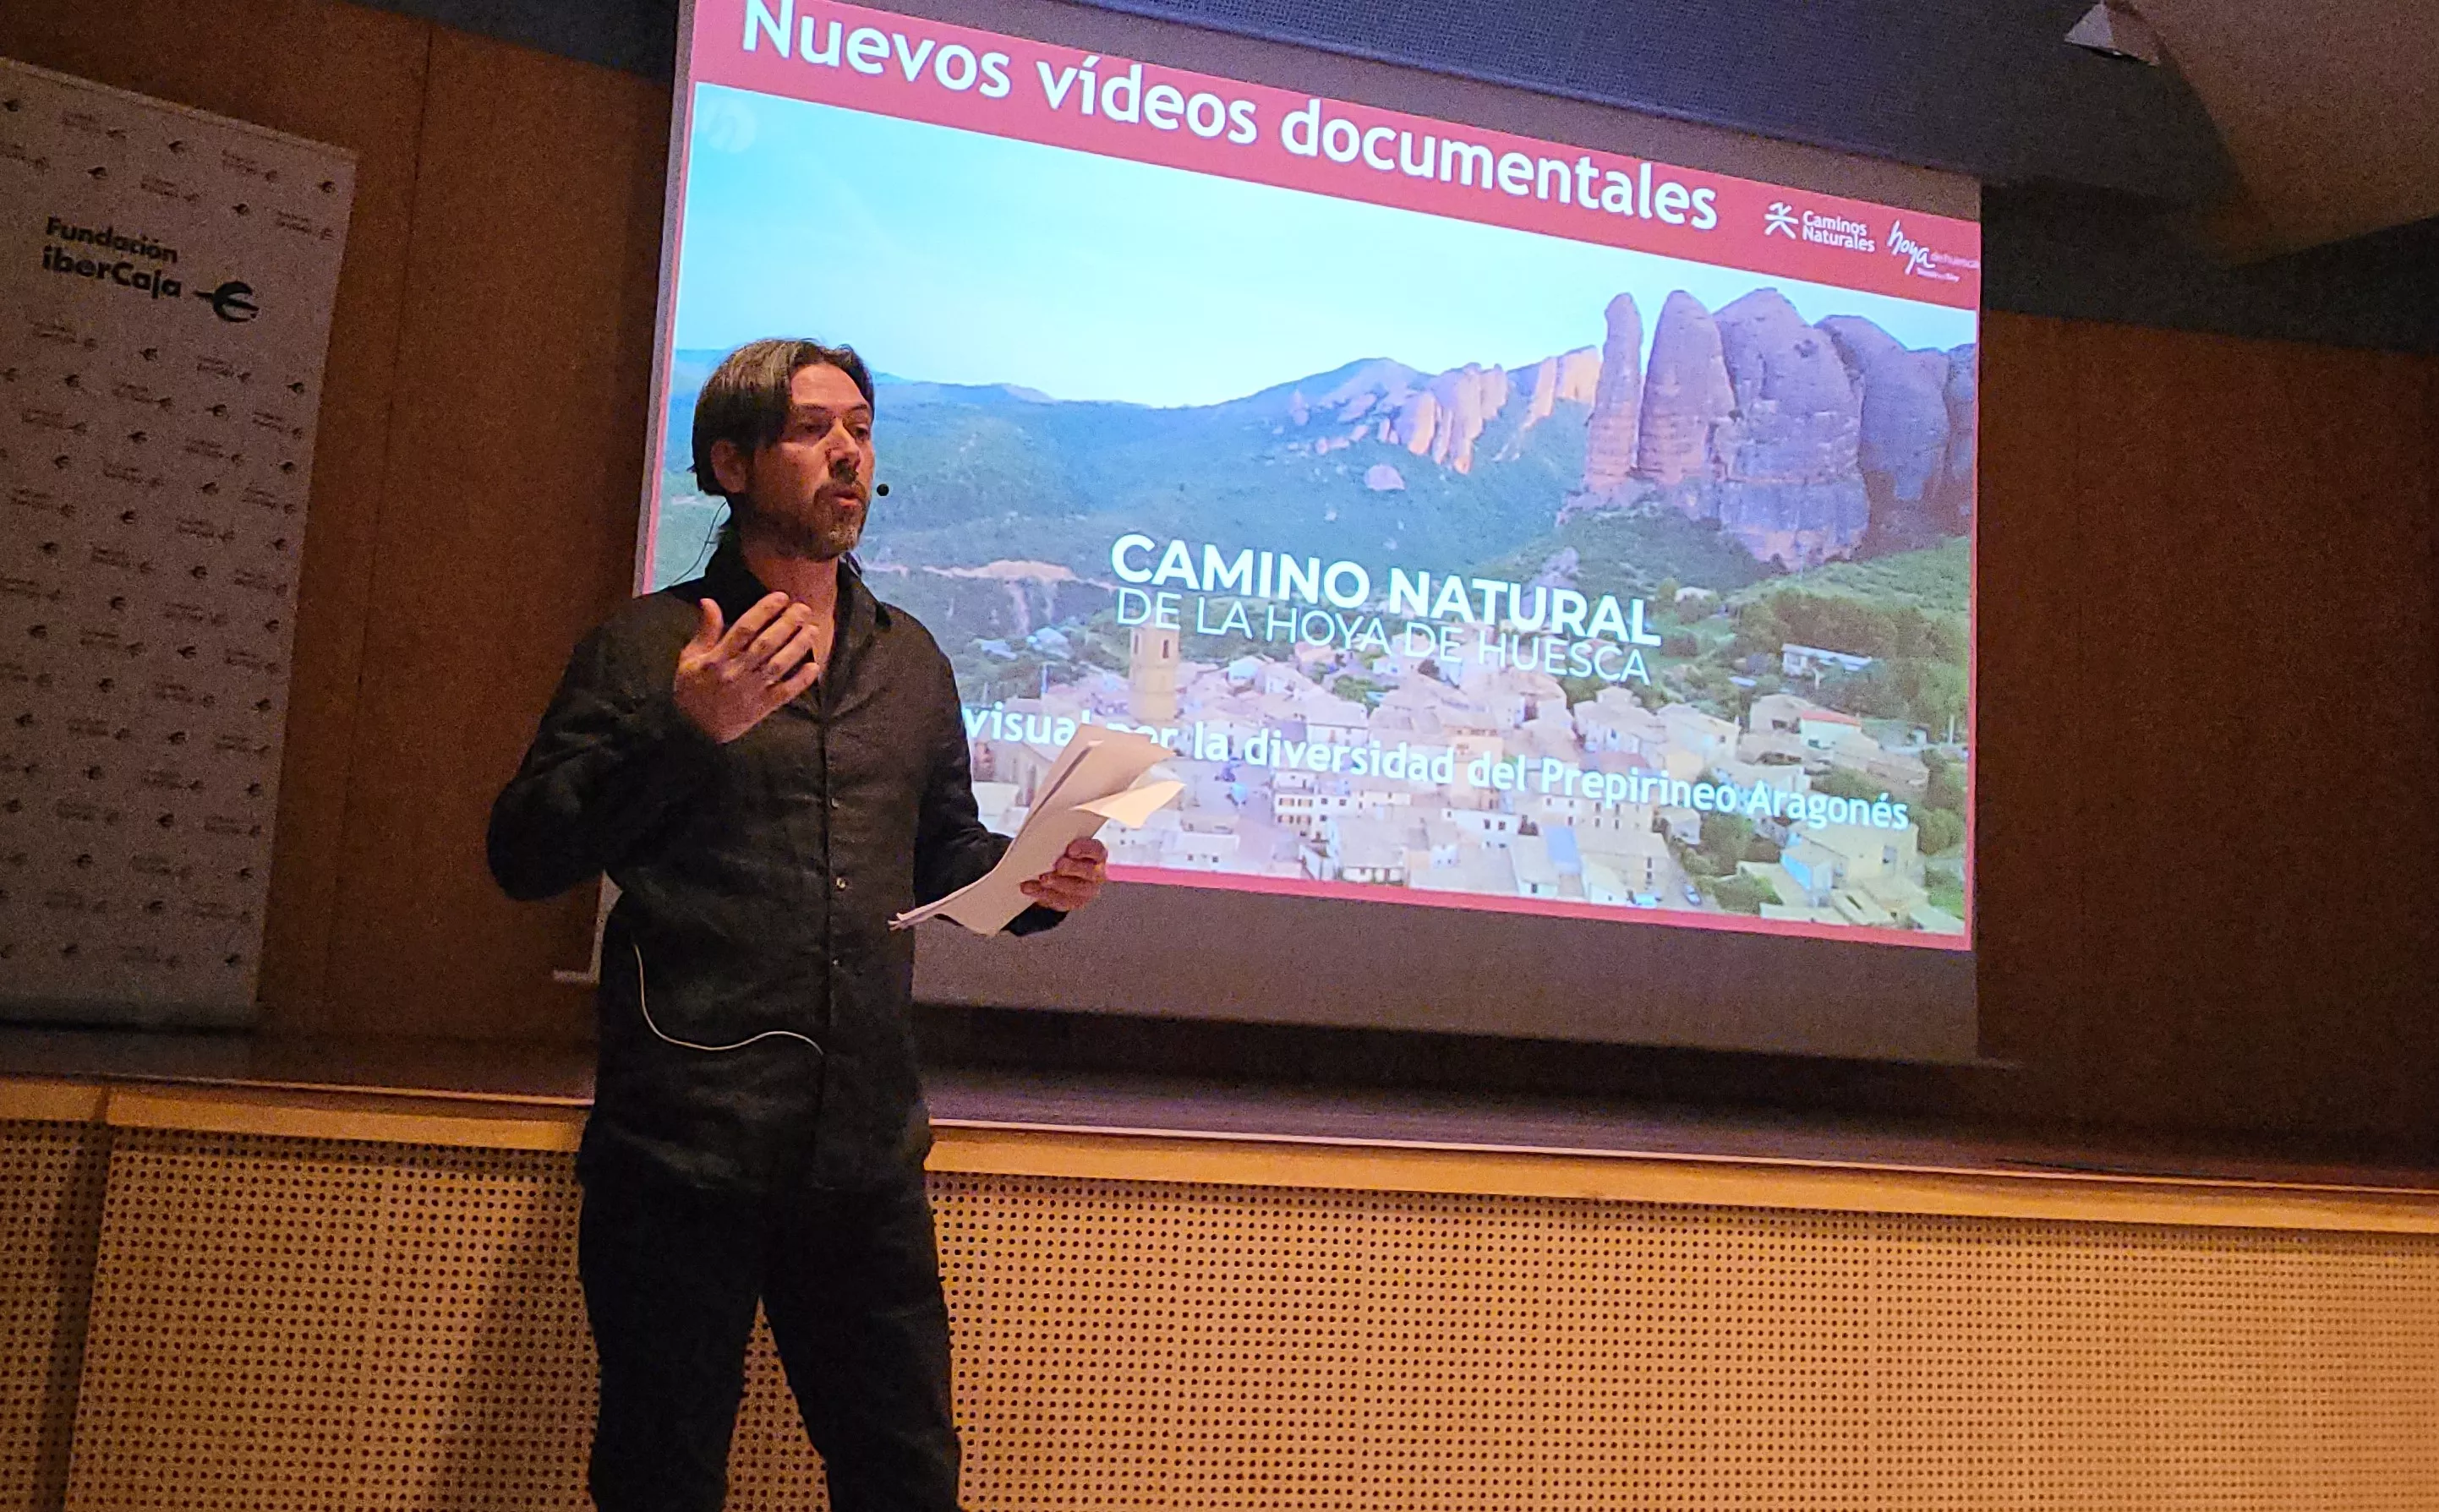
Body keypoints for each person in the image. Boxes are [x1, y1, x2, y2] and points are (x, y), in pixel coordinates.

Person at [486, 337, 1105, 1512]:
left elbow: (944, 855)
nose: (847, 456)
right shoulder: (644, 649)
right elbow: (524, 855)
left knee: (907, 1477)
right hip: (683, 1156)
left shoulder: (910, 661)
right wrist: (684, 727)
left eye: (861, 431)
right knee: (661, 1478)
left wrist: (1033, 883)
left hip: (864, 1160)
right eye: (813, 430)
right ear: (729, 462)